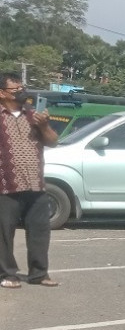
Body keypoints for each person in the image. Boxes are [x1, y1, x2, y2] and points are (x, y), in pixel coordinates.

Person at [0, 73, 60, 289]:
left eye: (22, 88)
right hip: (5, 186)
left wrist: (43, 126)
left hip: (35, 185)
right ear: (2, 93)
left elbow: (53, 141)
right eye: (15, 89)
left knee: (39, 232)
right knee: (4, 234)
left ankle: (39, 274)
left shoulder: (33, 116)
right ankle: (8, 274)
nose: (21, 92)